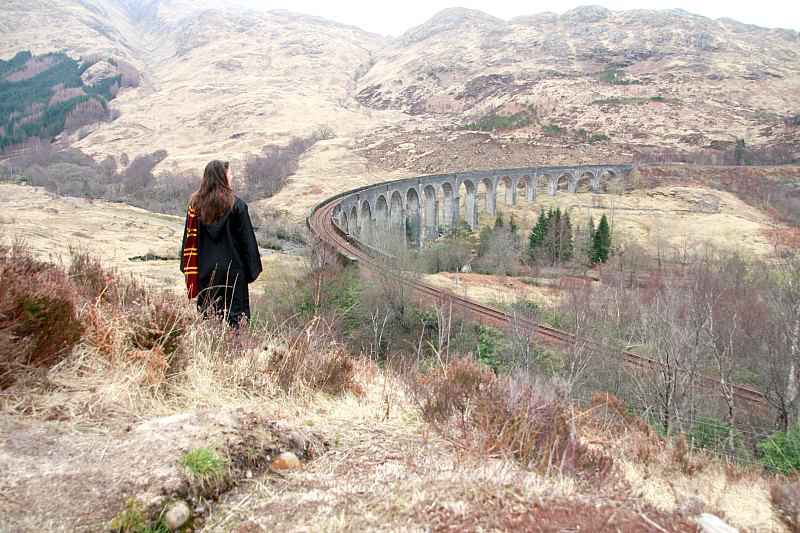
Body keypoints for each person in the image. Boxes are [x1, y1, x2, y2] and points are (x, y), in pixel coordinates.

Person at [180, 160, 262, 326]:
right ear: (223, 177)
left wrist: (190, 270)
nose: (231, 176)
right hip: (234, 273)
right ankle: (234, 351)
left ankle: (211, 351)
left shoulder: (195, 207)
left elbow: (189, 242)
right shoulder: (238, 206)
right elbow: (248, 244)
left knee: (209, 318)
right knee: (236, 321)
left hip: (206, 272)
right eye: (229, 173)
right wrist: (251, 271)